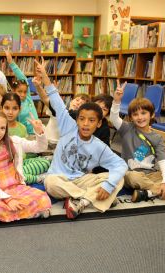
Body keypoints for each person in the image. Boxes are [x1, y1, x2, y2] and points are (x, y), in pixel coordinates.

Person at [34, 58, 127, 220]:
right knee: (50, 183)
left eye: (91, 121)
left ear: (99, 124)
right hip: (59, 178)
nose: (85, 124)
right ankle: (89, 198)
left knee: (118, 180)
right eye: (82, 119)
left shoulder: (99, 146)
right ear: (76, 119)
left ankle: (80, 201)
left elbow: (120, 165)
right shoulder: (68, 126)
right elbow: (55, 99)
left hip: (82, 179)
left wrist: (108, 184)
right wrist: (45, 77)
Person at [110, 81, 165, 202]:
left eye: (144, 113)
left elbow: (164, 162)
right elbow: (114, 118)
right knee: (131, 176)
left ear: (151, 115)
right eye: (135, 114)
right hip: (133, 175)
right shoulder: (127, 129)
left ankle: (148, 193)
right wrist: (117, 101)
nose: (140, 117)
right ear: (130, 117)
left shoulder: (157, 137)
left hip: (152, 175)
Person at [0, 109, 51, 222]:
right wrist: (8, 200)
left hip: (16, 188)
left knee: (41, 196)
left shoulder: (14, 142)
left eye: (2, 128)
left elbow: (40, 148)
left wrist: (39, 132)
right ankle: (26, 212)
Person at [1, 92, 51, 184]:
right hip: (4, 169)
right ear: (1, 109)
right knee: (14, 174)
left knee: (46, 162)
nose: (10, 112)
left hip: (21, 162)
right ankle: (36, 178)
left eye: (14, 108)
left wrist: (39, 131)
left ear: (20, 110)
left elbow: (39, 147)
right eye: (7, 108)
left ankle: (24, 176)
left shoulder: (18, 135)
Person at [5, 50, 40, 135]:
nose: (23, 94)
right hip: (24, 134)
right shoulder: (14, 105)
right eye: (19, 91)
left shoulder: (28, 98)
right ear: (14, 91)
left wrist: (11, 62)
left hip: (36, 131)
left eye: (25, 92)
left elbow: (22, 77)